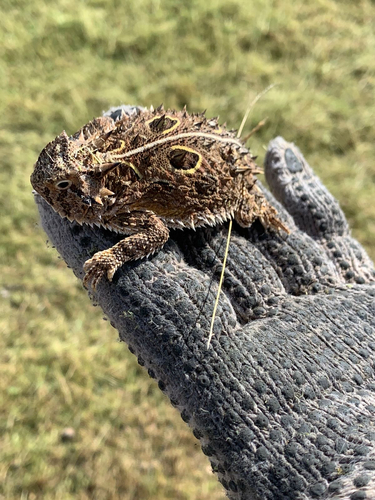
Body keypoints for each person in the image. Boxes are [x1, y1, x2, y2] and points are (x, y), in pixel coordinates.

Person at [36, 106, 375, 499]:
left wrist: (114, 255)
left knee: (247, 214)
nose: (48, 192)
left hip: (226, 178)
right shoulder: (99, 154)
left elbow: (155, 230)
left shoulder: (118, 197)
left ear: (95, 182)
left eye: (62, 187)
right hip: (199, 145)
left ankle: (247, 201)